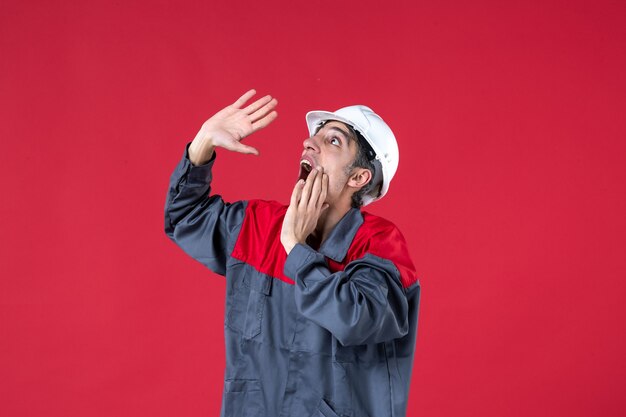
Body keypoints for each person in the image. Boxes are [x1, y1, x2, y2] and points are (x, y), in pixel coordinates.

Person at [164, 89, 421, 417]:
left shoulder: (380, 246)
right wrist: (203, 143)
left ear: (359, 177)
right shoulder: (259, 226)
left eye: (333, 141)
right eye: (315, 135)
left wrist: (296, 249)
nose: (309, 143)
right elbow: (184, 218)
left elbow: (357, 319)